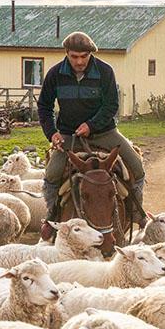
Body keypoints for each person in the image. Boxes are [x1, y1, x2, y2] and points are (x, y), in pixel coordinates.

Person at [37, 31, 146, 240]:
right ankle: (51, 217)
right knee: (52, 173)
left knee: (135, 165)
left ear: (91, 54)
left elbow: (111, 105)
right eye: (74, 56)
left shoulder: (105, 71)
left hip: (104, 131)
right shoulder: (55, 74)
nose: (79, 61)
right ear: (67, 54)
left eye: (83, 56)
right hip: (69, 134)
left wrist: (92, 125)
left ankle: (135, 212)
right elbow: (44, 107)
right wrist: (52, 133)